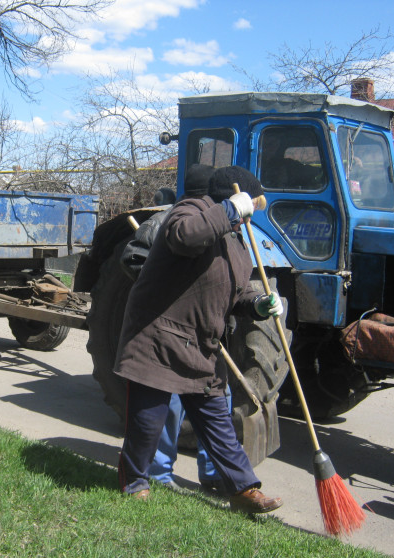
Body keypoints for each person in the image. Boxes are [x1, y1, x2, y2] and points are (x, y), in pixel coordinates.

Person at [115, 165, 284, 514]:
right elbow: (185, 237)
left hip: (201, 347)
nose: (247, 218)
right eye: (247, 208)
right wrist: (230, 210)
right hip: (158, 338)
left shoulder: (236, 240)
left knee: (218, 422)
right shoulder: (189, 212)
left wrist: (257, 305)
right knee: (148, 422)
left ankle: (243, 490)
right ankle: (135, 481)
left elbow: (230, 295)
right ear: (233, 199)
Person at [121, 164, 229, 496]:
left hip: (203, 331)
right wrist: (162, 287)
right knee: (167, 405)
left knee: (217, 402)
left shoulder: (221, 222)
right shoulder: (167, 220)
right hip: (168, 330)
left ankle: (213, 472)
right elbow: (133, 258)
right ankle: (159, 471)